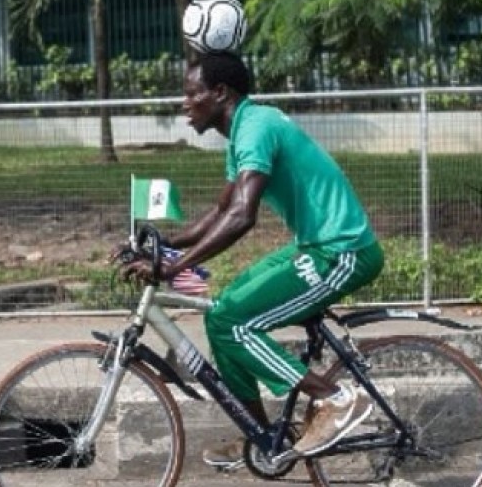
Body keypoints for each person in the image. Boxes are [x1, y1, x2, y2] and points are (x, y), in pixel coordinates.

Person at [122, 52, 385, 467]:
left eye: (192, 93)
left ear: (220, 92)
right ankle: (263, 437)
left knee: (233, 322)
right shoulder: (245, 127)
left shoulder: (256, 127)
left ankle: (333, 397)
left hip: (343, 252)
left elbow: (243, 217)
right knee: (221, 313)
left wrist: (172, 268)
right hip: (315, 247)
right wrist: (165, 244)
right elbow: (222, 210)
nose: (184, 103)